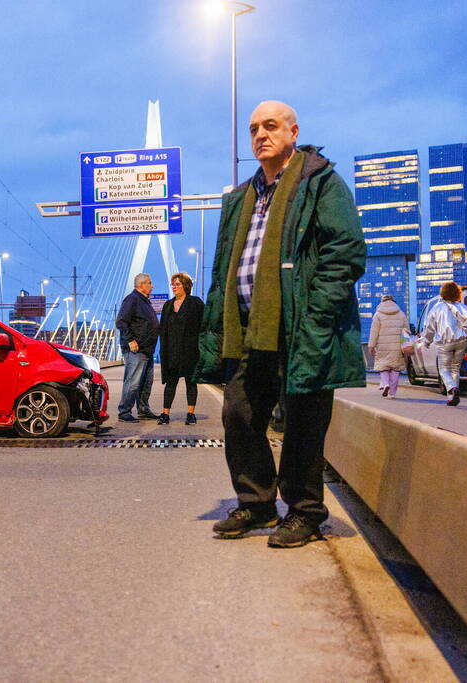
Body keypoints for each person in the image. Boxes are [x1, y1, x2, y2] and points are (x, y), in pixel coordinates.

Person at [192, 100, 366, 548]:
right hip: (248, 326)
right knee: (238, 413)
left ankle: (305, 511)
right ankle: (256, 502)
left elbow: (344, 251)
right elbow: (222, 268)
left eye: (269, 126)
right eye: (252, 129)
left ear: (293, 132)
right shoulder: (240, 198)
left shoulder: (320, 183)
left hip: (299, 325)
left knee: (304, 421)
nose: (259, 136)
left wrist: (317, 314)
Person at [157, 272, 204, 425]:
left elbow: (204, 326)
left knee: (191, 382)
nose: (174, 287)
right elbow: (163, 329)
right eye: (173, 284)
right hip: (172, 351)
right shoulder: (168, 305)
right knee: (171, 383)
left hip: (190, 351)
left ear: (186, 286)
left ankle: (190, 414)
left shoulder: (195, 303)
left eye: (177, 284)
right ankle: (165, 414)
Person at [421, 280, 467, 406]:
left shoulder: (436, 308)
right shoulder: (464, 307)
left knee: (444, 369)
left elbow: (430, 327)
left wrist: (427, 341)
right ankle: (451, 397)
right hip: (462, 340)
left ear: (443, 293)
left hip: (445, 342)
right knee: (455, 368)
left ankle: (451, 388)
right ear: (458, 293)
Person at [115, 273, 159, 422]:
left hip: (147, 350)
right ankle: (124, 411)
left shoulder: (145, 301)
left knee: (146, 382)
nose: (152, 286)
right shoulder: (132, 299)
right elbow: (121, 321)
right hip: (136, 350)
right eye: (150, 283)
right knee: (133, 382)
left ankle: (143, 409)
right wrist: (130, 340)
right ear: (141, 285)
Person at [368, 294, 410, 398]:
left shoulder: (378, 315)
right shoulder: (401, 314)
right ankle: (392, 393)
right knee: (395, 369)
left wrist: (371, 346)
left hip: (382, 345)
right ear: (393, 301)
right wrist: (406, 346)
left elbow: (374, 332)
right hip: (397, 346)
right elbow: (406, 331)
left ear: (381, 302)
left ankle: (386, 384)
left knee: (383, 367)